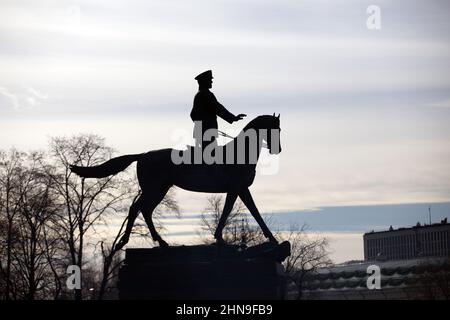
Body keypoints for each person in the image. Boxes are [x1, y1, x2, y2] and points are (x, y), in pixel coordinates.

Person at [190, 70, 246, 152]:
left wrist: (200, 125)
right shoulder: (206, 95)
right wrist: (233, 118)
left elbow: (192, 115)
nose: (211, 81)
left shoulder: (199, 95)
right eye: (209, 80)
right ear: (204, 81)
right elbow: (218, 108)